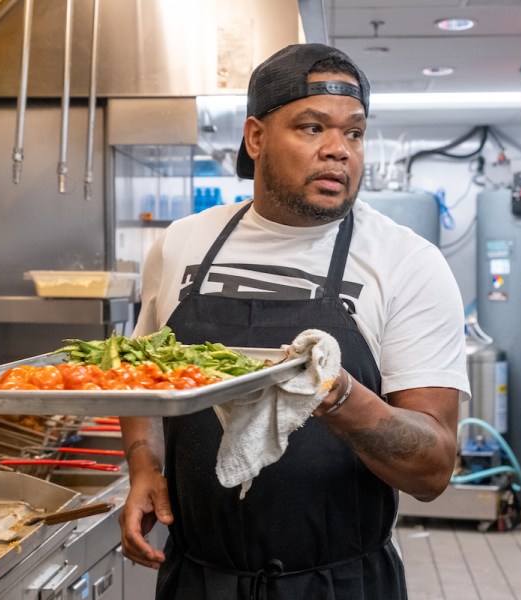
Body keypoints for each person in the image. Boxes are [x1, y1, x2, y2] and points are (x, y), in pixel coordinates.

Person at [118, 42, 470, 600]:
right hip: (198, 578)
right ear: (256, 137)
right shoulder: (183, 243)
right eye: (312, 128)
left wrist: (338, 398)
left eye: (354, 133)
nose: (339, 151)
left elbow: (432, 468)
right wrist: (143, 467)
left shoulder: (408, 263)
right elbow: (140, 379)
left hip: (340, 582)